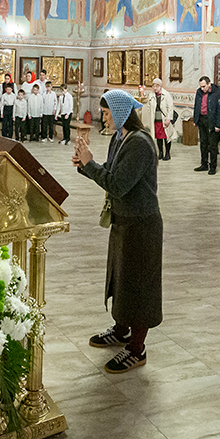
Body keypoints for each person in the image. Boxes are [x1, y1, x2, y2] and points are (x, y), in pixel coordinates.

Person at [74, 89, 162, 374]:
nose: (104, 119)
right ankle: (121, 330)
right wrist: (85, 165)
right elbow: (112, 173)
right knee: (121, 279)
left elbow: (119, 185)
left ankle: (137, 349)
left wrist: (89, 164)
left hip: (141, 224)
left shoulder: (140, 143)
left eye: (107, 113)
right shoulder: (120, 138)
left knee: (138, 285)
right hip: (124, 219)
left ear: (121, 113)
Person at [193, 76, 220, 175]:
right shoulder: (199, 92)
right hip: (201, 120)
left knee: (212, 145)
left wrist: (218, 124)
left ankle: (213, 166)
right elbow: (196, 106)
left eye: (204, 86)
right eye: (201, 86)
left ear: (209, 84)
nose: (202, 88)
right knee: (203, 144)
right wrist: (195, 119)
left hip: (212, 121)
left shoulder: (217, 93)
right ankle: (204, 164)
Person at [141, 78, 176, 161]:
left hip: (164, 119)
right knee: (158, 137)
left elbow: (170, 108)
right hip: (156, 119)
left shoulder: (166, 95)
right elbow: (149, 107)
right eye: (153, 86)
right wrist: (151, 115)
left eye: (156, 86)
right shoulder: (151, 95)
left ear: (160, 86)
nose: (155, 88)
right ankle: (160, 152)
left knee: (167, 136)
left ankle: (167, 153)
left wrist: (168, 118)